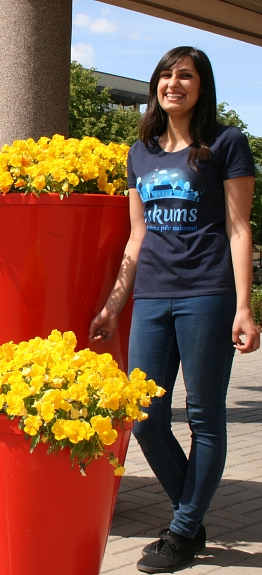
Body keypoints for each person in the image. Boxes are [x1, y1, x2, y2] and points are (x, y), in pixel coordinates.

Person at [89, 46, 260, 574]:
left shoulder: (225, 143)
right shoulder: (140, 152)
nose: (173, 83)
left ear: (201, 86)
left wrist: (244, 308)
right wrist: (114, 306)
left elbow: (238, 229)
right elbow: (136, 238)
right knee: (144, 416)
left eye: (185, 75)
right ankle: (193, 509)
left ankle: (184, 530)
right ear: (154, 87)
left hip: (207, 294)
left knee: (205, 416)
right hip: (152, 298)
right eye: (166, 75)